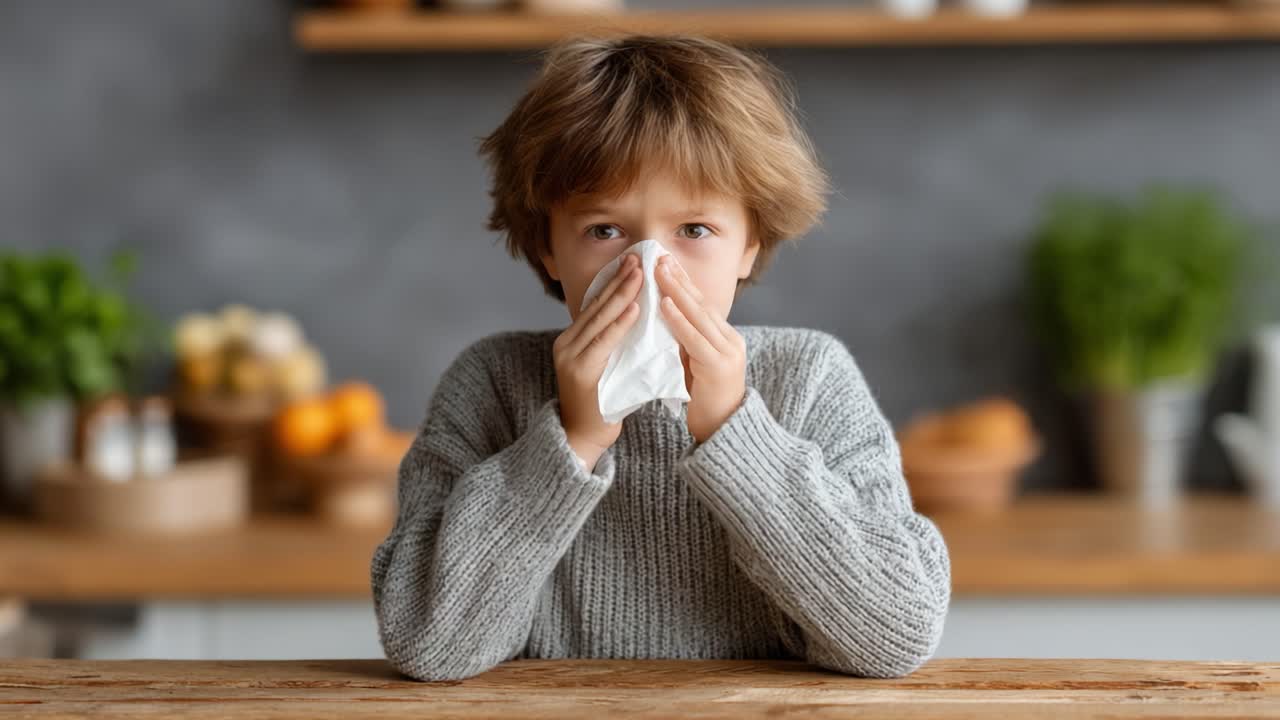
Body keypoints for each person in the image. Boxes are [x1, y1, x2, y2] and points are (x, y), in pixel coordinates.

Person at [371, 33, 951, 682]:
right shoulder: (491, 386)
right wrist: (572, 439)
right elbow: (429, 644)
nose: (648, 270)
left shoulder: (809, 378)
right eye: (604, 231)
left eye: (695, 230)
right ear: (547, 251)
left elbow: (895, 635)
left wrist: (736, 433)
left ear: (750, 245)